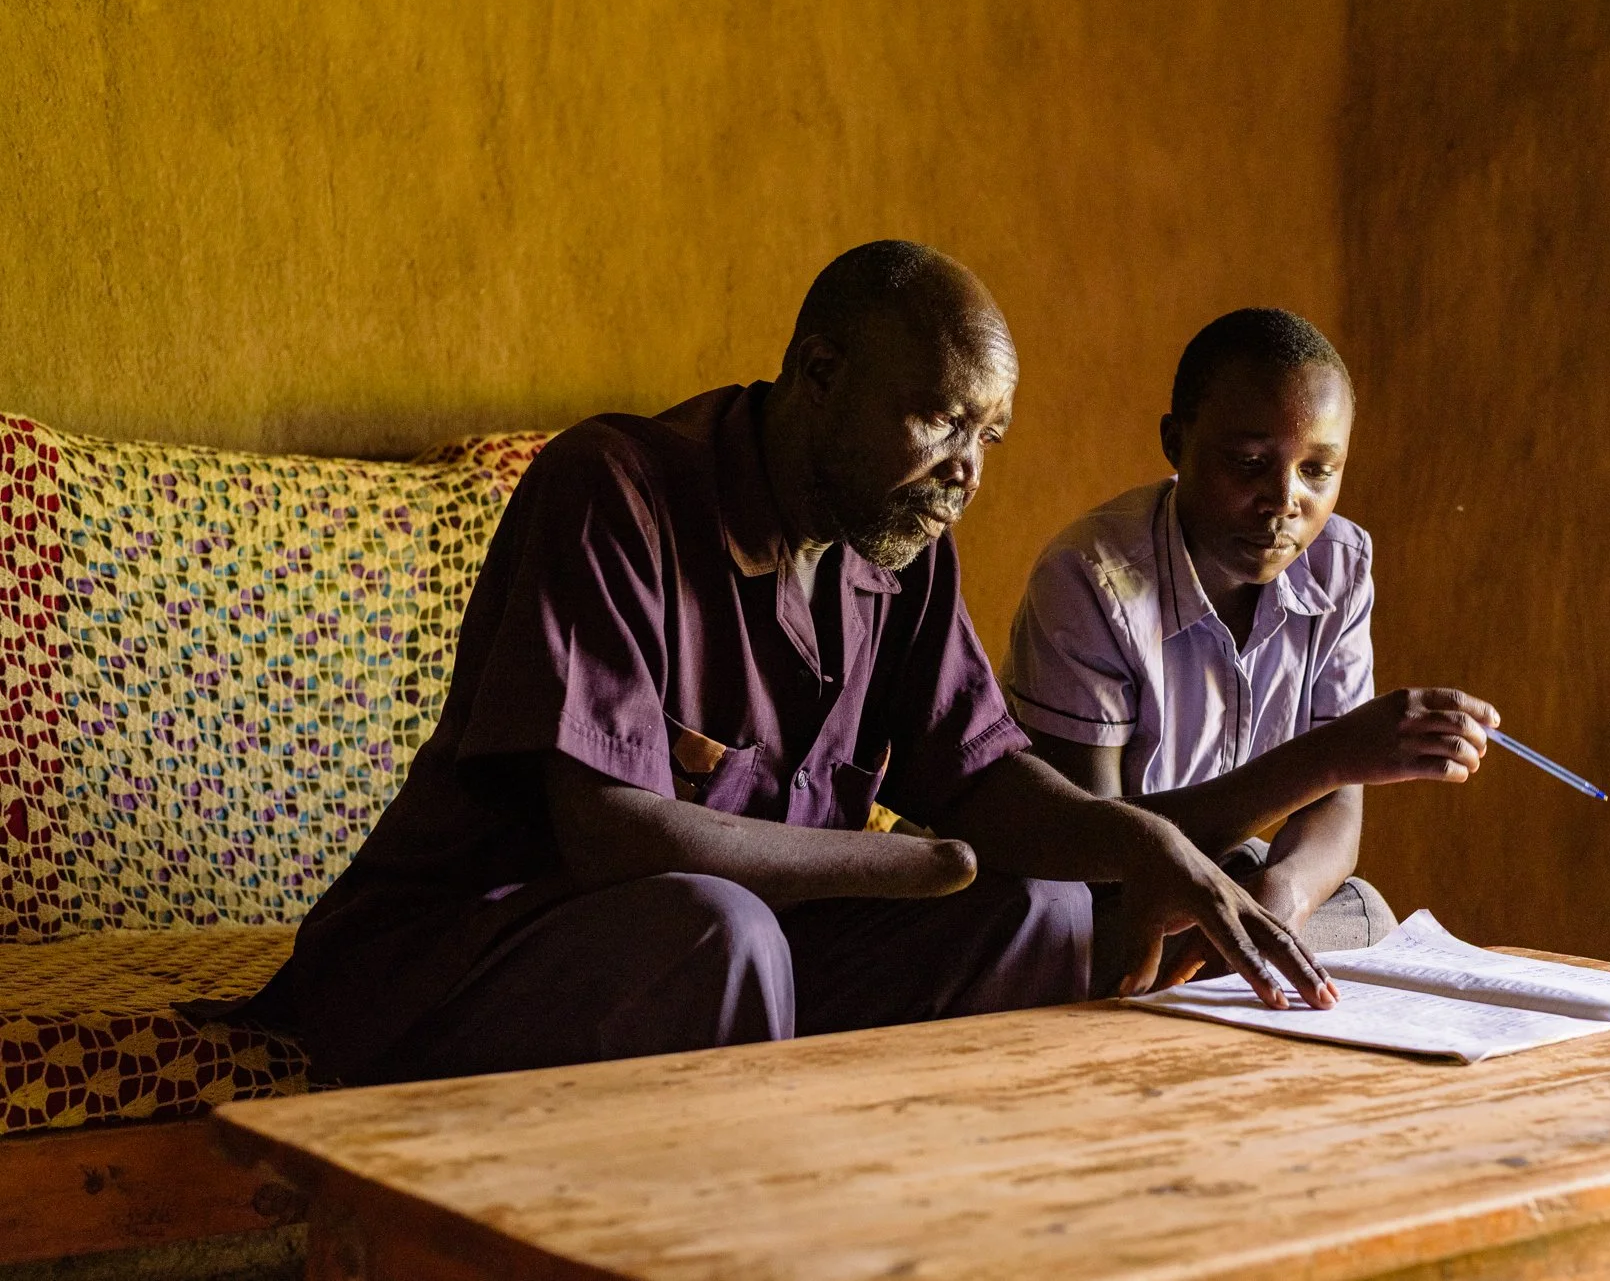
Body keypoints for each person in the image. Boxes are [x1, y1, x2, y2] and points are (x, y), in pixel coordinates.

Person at [258, 244, 1339, 1086]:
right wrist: (918, 863)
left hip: (741, 957)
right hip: (464, 957)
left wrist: (1137, 841)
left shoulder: (897, 544)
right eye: (938, 419)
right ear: (818, 373)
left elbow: (976, 776)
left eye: (989, 435)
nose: (965, 471)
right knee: (713, 935)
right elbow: (611, 830)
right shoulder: (615, 490)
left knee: (1041, 910)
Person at [1005, 308, 1498, 995]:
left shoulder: (1339, 565)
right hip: (1105, 898)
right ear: (1176, 443)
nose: (1284, 500)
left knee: (1366, 915)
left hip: (1234, 870)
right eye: (1249, 463)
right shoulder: (1091, 578)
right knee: (1086, 944)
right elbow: (1093, 848)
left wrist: (1280, 900)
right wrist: (1330, 754)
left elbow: (1336, 812)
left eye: (1318, 470)